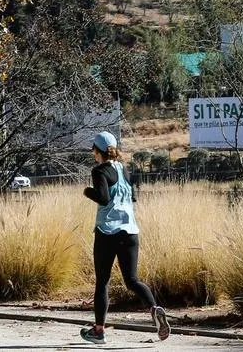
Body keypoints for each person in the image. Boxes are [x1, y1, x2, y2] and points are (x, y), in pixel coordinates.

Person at [80, 131, 170, 345]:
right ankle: (154, 308)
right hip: (130, 231)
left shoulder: (99, 171)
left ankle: (99, 331)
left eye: (93, 149)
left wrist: (87, 191)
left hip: (107, 232)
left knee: (102, 282)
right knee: (132, 279)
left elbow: (102, 198)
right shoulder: (125, 171)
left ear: (97, 151)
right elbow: (133, 197)